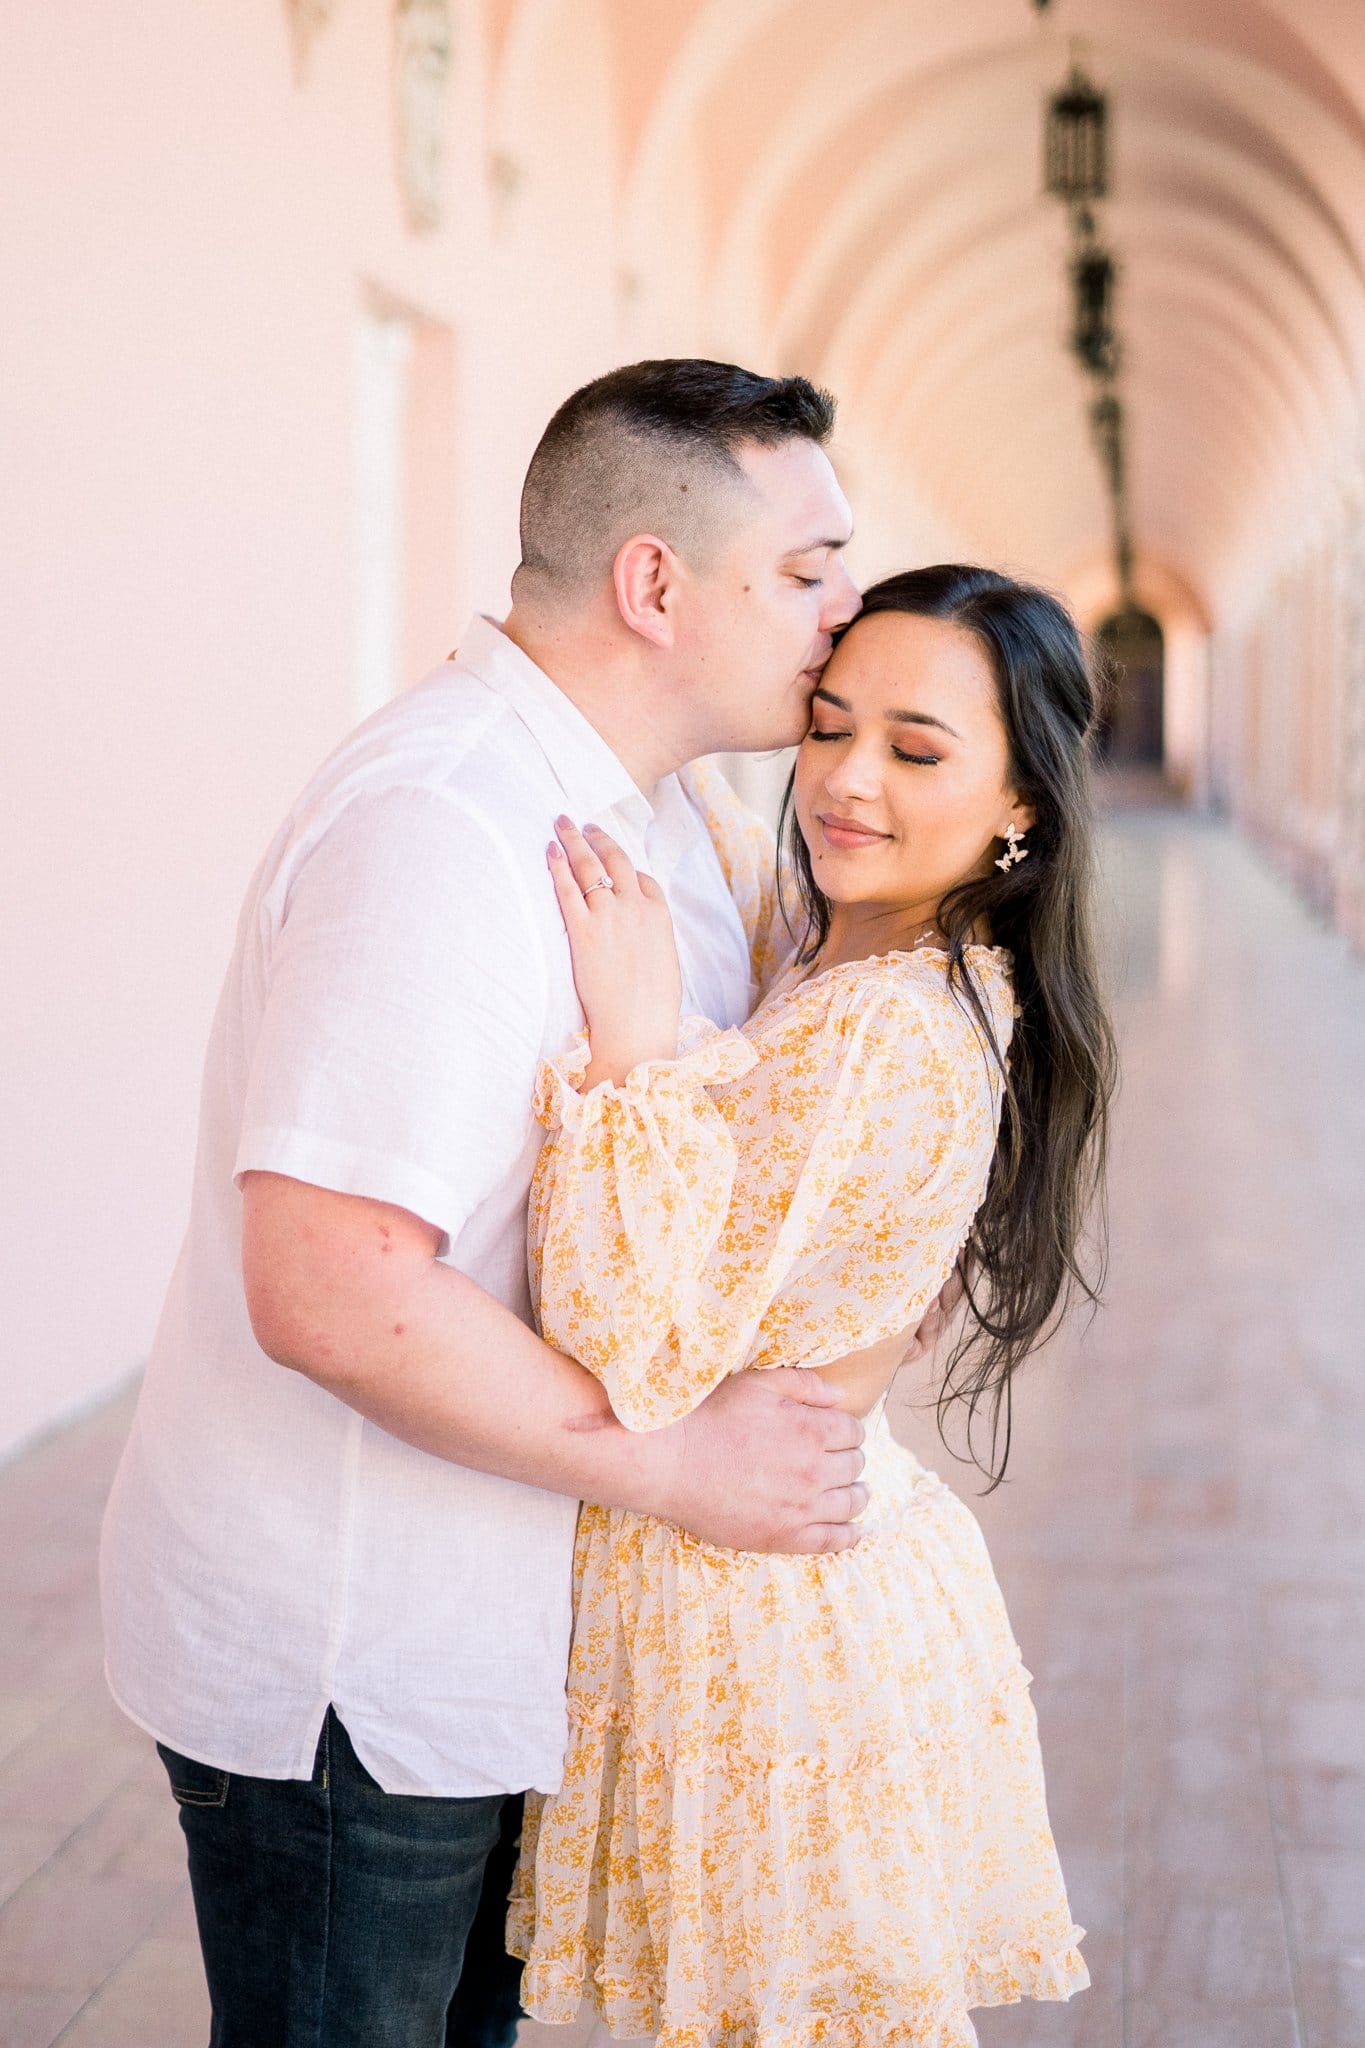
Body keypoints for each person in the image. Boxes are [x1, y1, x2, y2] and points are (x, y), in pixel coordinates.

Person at [97, 359, 917, 2047]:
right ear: (653, 585)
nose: (845, 611)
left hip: (504, 1630)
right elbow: (328, 1286)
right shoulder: (445, 829)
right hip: (359, 1658)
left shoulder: (664, 811)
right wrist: (681, 1465)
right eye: (806, 570)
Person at [509, 565, 1117, 2045]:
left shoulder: (889, 1032)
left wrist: (634, 1058)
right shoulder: (845, 940)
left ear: (1020, 803)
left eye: (915, 752)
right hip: (786, 1581)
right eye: (827, 725)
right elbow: (715, 807)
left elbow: (635, 1346)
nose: (845, 784)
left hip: (762, 1634)